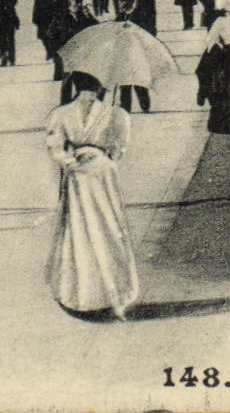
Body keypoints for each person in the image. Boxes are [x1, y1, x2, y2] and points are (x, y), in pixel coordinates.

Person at [44, 72, 138, 320]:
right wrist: (70, 161)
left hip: (101, 178)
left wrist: (104, 160)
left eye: (93, 89)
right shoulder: (63, 114)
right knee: (80, 231)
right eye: (86, 89)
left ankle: (110, 294)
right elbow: (55, 145)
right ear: (78, 87)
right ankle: (82, 294)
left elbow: (119, 146)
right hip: (77, 180)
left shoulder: (113, 113)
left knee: (106, 228)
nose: (90, 94)